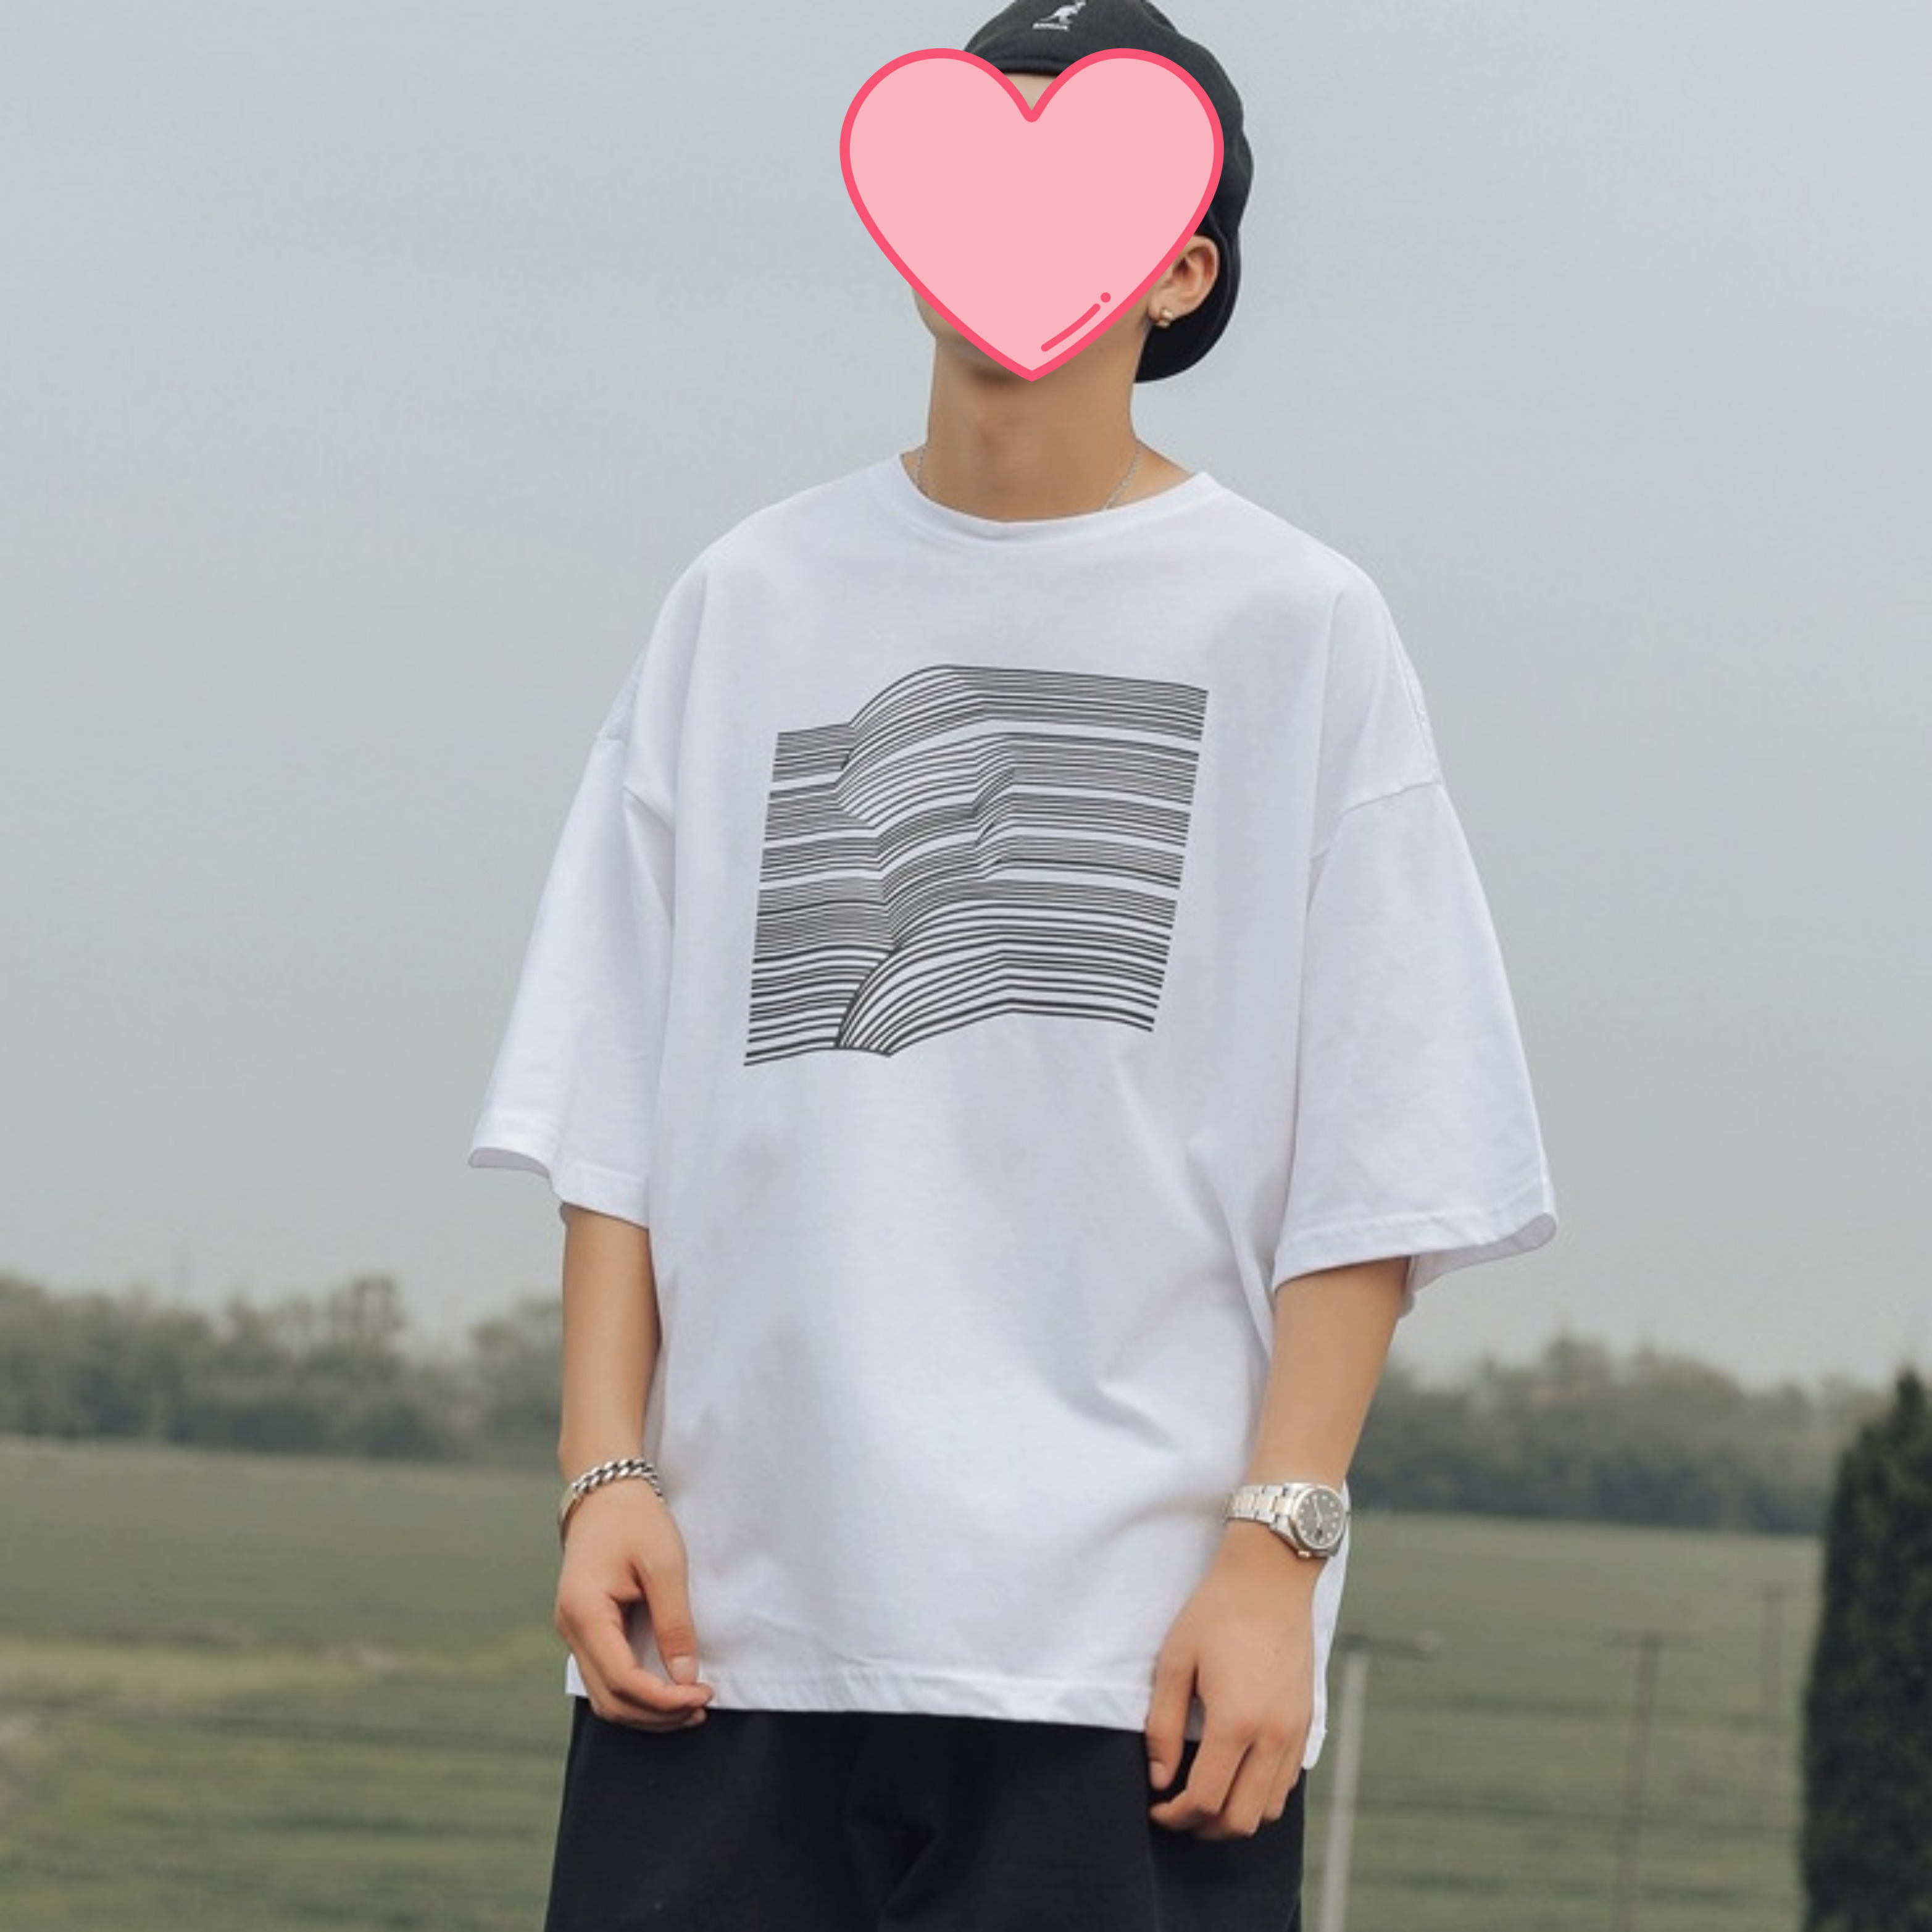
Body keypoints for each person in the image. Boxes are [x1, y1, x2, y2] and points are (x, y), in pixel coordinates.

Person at [468, 3, 1557, 1926]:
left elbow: (1385, 1143)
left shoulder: (1295, 626)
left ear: (1184, 265)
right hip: (731, 1635)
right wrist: (600, 1470)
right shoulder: (746, 600)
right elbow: (608, 1087)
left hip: (1121, 1659)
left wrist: (1276, 1552)